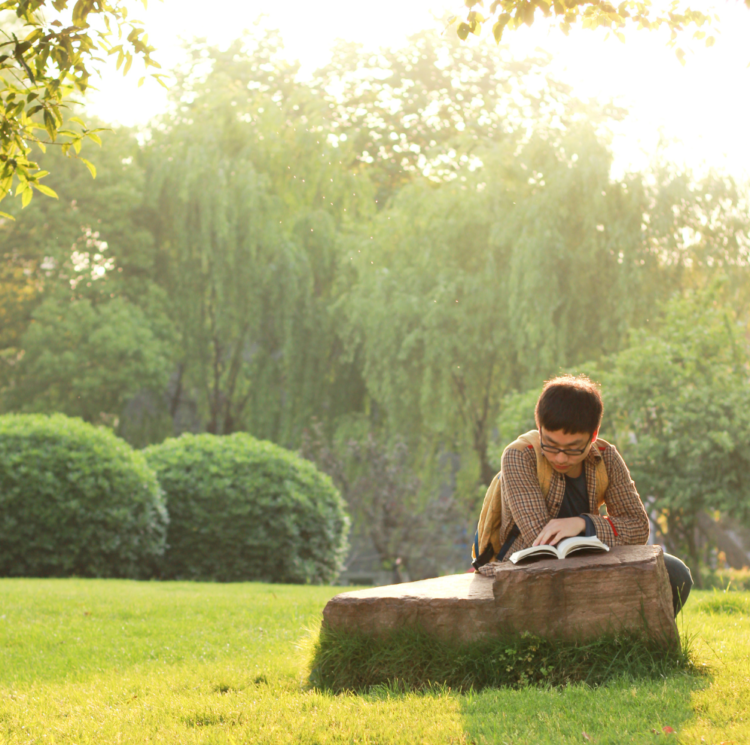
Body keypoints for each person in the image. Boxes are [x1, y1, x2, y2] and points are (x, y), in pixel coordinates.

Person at [472, 374, 692, 616]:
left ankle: (645, 644)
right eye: (551, 445)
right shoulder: (520, 455)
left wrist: (581, 523)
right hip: (528, 567)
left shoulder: (606, 457)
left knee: (676, 573)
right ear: (540, 429)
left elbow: (638, 527)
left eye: (573, 448)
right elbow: (540, 538)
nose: (560, 458)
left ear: (593, 435)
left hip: (592, 559)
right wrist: (600, 532)